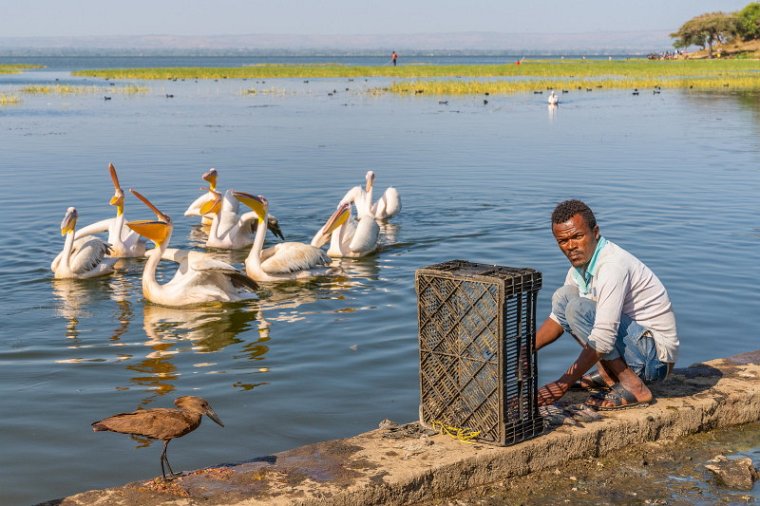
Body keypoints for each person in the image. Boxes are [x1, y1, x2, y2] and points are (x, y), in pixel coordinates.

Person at [536, 199, 678, 410]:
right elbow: (558, 318)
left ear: (595, 232)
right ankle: (608, 374)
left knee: (578, 310)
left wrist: (562, 383)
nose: (571, 246)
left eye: (577, 236)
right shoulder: (579, 268)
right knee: (563, 298)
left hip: (653, 361)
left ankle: (634, 387)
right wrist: (526, 349)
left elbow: (603, 338)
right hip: (634, 350)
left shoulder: (612, 265)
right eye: (563, 241)